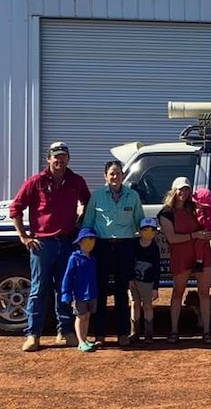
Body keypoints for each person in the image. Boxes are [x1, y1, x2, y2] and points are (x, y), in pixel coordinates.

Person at [10, 141, 91, 353]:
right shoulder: (36, 182)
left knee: (64, 289)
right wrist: (24, 236)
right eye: (56, 156)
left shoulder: (76, 181)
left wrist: (79, 223)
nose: (60, 160)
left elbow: (88, 203)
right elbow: (16, 208)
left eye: (63, 157)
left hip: (67, 242)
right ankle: (33, 335)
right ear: (49, 159)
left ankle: (64, 332)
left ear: (68, 159)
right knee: (38, 290)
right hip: (41, 244)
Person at [83, 160, 144, 347]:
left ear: (123, 176)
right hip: (102, 247)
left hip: (125, 246)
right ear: (105, 176)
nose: (115, 177)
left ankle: (123, 334)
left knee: (122, 292)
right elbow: (88, 223)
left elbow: (139, 221)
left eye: (118, 173)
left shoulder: (132, 196)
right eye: (111, 173)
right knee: (100, 291)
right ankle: (99, 335)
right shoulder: (97, 196)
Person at [158, 177, 211, 344]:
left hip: (202, 253)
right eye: (180, 189)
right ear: (173, 191)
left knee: (204, 293)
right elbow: (172, 238)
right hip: (181, 255)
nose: (183, 193)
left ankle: (206, 331)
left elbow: (208, 224)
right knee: (178, 293)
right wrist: (195, 235)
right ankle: (174, 330)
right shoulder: (166, 213)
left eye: (186, 190)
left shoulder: (195, 208)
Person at [61, 227, 100, 352]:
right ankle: (81, 341)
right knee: (80, 317)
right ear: (79, 242)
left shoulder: (93, 259)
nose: (90, 243)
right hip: (79, 294)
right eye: (87, 240)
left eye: (92, 240)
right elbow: (67, 277)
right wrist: (66, 294)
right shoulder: (74, 259)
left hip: (91, 293)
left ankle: (85, 338)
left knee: (87, 317)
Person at [129, 217, 161, 345]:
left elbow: (157, 269)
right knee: (134, 304)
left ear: (155, 233)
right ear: (140, 231)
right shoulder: (134, 245)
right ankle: (134, 331)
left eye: (152, 230)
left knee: (147, 306)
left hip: (148, 282)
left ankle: (149, 333)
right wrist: (129, 279)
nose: (148, 233)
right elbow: (129, 263)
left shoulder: (154, 248)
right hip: (134, 281)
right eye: (145, 230)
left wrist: (155, 288)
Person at [191, 187, 211, 273]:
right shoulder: (195, 211)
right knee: (200, 244)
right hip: (202, 234)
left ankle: (201, 261)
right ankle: (202, 261)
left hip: (208, 232)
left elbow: (209, 223)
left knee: (205, 244)